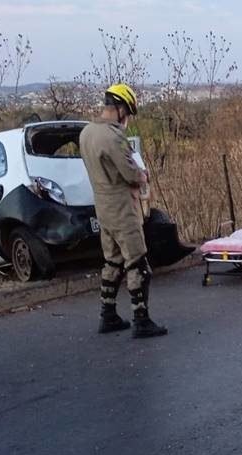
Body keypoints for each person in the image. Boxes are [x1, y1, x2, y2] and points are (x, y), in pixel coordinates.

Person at [79, 84, 166, 339]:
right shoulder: (114, 137)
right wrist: (142, 176)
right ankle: (141, 320)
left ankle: (108, 315)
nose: (127, 119)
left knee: (113, 260)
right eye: (127, 113)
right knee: (138, 264)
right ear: (120, 109)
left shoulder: (86, 133)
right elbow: (130, 173)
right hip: (122, 208)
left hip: (102, 208)